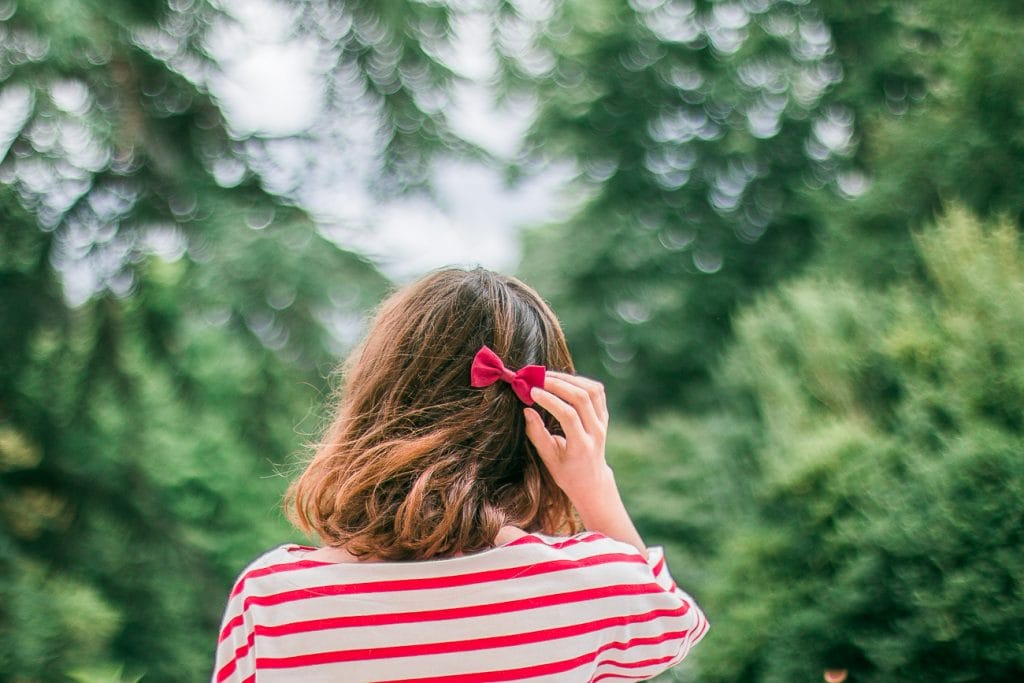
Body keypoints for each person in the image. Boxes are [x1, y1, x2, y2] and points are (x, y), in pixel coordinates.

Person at [212, 268, 708, 682]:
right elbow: (672, 630)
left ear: (375, 402)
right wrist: (593, 484)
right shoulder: (595, 585)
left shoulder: (272, 598)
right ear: (538, 426)